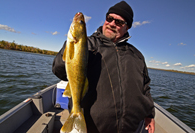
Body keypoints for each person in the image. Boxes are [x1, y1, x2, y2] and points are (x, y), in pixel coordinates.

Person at [52, 1, 155, 133]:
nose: (112, 24)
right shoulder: (89, 45)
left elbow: (145, 87)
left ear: (127, 27)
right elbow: (58, 70)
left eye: (119, 22)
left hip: (130, 129)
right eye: (110, 19)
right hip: (91, 128)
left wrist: (149, 114)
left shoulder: (137, 55)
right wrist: (70, 48)